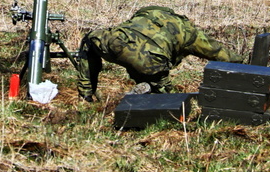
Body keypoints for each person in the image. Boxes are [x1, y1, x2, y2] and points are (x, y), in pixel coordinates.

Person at [76, 6, 236, 102]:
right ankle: (148, 95)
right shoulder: (187, 31)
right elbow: (218, 53)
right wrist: (244, 64)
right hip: (153, 62)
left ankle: (85, 96)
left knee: (89, 42)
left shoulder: (143, 17)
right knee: (165, 100)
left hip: (117, 42)